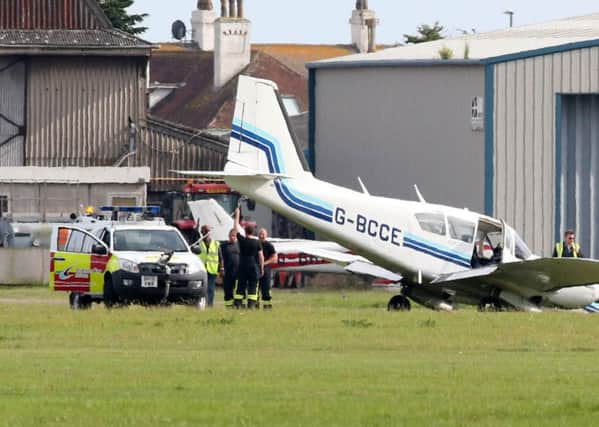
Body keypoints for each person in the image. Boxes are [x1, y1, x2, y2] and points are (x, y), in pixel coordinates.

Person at [234, 207, 263, 309]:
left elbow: (236, 228)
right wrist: (261, 268)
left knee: (241, 285)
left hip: (243, 265)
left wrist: (237, 215)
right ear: (253, 232)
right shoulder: (257, 242)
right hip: (253, 266)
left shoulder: (242, 240)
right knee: (253, 285)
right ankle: (251, 305)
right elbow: (261, 256)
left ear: (245, 232)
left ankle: (238, 303)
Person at [199, 225, 221, 307]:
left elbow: (220, 256)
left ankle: (210, 304)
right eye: (204, 231)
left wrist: (221, 268)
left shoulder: (215, 243)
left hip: (212, 269)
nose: (206, 233)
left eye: (208, 231)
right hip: (202, 269)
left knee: (211, 288)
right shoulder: (199, 243)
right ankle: (202, 304)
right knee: (202, 288)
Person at [220, 228, 240, 308]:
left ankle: (238, 305)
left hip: (238, 272)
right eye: (231, 236)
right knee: (228, 290)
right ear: (228, 236)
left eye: (234, 236)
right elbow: (221, 258)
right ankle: (229, 306)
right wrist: (221, 268)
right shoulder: (224, 246)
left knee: (239, 291)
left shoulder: (240, 245)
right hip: (228, 272)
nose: (233, 237)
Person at [257, 228, 277, 309]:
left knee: (266, 288)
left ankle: (267, 305)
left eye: (263, 234)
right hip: (256, 269)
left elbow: (275, 258)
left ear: (266, 235)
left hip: (266, 269)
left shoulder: (269, 245)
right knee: (255, 288)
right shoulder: (255, 244)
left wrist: (264, 263)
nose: (261, 236)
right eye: (260, 234)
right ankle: (255, 305)